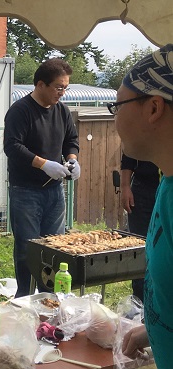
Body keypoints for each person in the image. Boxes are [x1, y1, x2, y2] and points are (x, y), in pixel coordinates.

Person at [113, 44, 173, 368]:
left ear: (153, 108)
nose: (114, 118)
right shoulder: (167, 182)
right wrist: (150, 330)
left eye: (117, 105)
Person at [3, 58, 80, 297]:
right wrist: (43, 164)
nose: (62, 93)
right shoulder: (21, 111)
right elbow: (12, 146)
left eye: (66, 87)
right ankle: (25, 297)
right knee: (28, 249)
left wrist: (72, 159)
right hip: (25, 190)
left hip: (55, 191)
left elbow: (71, 140)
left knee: (55, 247)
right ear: (40, 85)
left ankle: (50, 298)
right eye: (59, 87)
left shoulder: (62, 111)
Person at [120, 153, 160, 302]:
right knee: (140, 247)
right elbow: (129, 153)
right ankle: (139, 303)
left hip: (168, 184)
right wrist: (125, 186)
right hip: (143, 188)